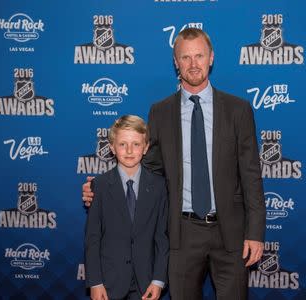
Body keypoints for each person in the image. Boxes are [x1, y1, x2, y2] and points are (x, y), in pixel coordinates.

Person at [83, 28, 266, 300]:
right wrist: (104, 187)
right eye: (185, 57)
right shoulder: (160, 111)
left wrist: (255, 233)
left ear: (211, 58)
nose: (193, 64)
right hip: (182, 233)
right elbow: (151, 170)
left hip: (231, 233)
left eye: (199, 56)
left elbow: (251, 175)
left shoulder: (238, 110)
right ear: (176, 62)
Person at [84, 115, 168, 300]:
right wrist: (95, 282)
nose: (129, 150)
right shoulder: (100, 185)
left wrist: (158, 280)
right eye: (122, 144)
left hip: (146, 281)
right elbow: (93, 238)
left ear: (146, 147)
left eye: (136, 144)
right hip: (109, 281)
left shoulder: (159, 186)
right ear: (112, 147)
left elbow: (162, 237)